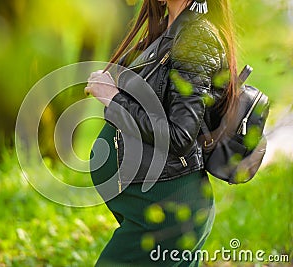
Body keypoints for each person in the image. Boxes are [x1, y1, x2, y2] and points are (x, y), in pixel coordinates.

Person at [84, 0, 237, 266]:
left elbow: (180, 136)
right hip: (153, 208)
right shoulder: (166, 30)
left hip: (167, 209)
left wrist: (113, 98)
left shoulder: (197, 36)